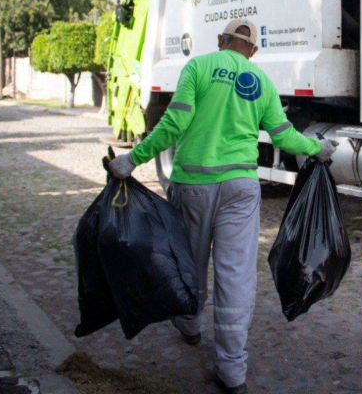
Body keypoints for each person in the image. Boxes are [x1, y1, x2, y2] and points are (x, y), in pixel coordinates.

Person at [108, 19, 337, 394]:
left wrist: (133, 158)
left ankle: (190, 324)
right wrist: (318, 148)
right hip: (241, 190)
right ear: (253, 50)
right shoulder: (261, 81)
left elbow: (174, 122)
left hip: (193, 187)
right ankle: (232, 370)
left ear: (220, 41)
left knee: (190, 262)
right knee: (236, 276)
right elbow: (283, 135)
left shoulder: (197, 67)